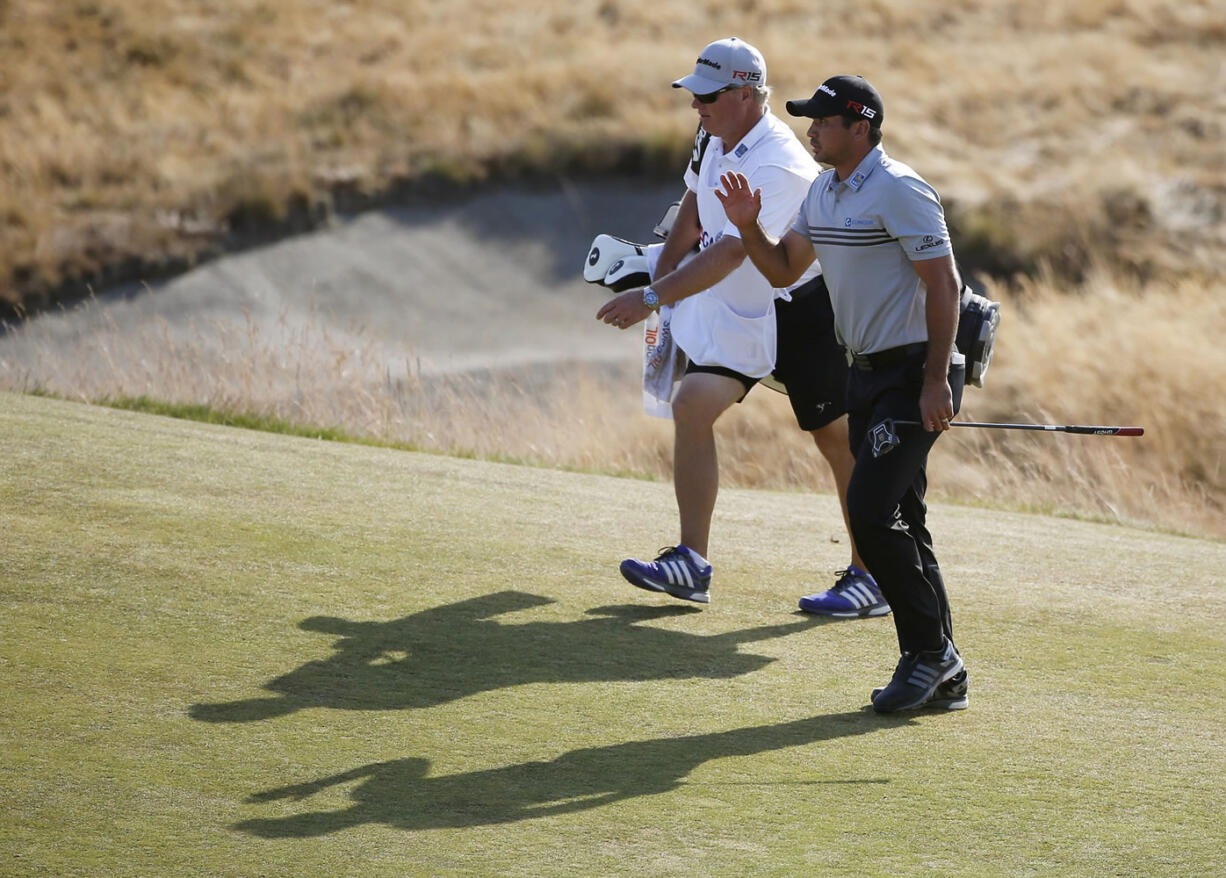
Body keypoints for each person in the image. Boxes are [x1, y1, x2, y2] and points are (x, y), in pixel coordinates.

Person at [596, 38, 886, 618]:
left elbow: (733, 252)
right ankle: (691, 564)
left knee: (837, 442)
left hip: (802, 311)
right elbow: (692, 205)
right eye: (693, 94)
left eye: (707, 94)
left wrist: (653, 296)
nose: (695, 104)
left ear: (747, 94)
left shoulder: (778, 162)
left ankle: (870, 577)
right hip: (737, 309)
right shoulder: (712, 136)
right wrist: (665, 265)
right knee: (692, 405)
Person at [716, 74, 969, 712]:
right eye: (810, 121)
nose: (812, 130)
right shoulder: (823, 194)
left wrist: (937, 379)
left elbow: (944, 285)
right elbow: (782, 267)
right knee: (905, 517)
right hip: (865, 372)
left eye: (824, 122)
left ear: (861, 128)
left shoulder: (900, 188)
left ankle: (928, 655)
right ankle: (947, 672)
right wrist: (748, 227)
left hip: (914, 371)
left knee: (871, 509)